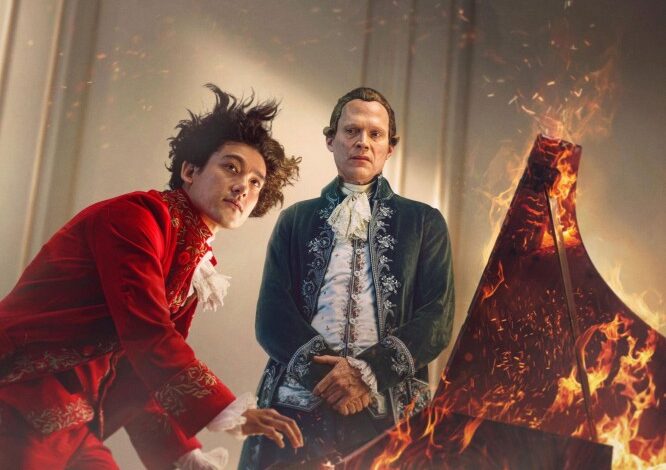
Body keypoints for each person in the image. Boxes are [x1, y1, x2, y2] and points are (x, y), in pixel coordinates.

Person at [0, 85, 304, 470]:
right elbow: (146, 332)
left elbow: (139, 373)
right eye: (232, 167)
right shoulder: (136, 217)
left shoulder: (194, 258)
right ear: (189, 171)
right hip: (16, 393)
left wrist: (185, 455)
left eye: (257, 182)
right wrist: (227, 410)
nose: (244, 186)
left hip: (75, 420)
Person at [240, 87, 455, 468]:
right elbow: (272, 316)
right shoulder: (295, 219)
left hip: (389, 413)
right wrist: (328, 379)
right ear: (331, 139)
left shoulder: (425, 222)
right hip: (296, 408)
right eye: (351, 131)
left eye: (375, 134)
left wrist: (367, 373)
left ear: (390, 147)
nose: (362, 142)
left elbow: (437, 318)